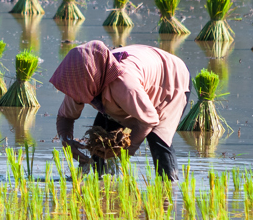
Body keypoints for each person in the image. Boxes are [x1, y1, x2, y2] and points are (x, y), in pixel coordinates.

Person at [49, 41, 190, 180]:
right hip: (137, 75)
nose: (75, 94)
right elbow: (65, 117)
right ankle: (104, 185)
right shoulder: (81, 82)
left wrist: (122, 152)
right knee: (99, 141)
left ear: (90, 78)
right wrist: (66, 141)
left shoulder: (125, 85)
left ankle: (169, 187)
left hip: (170, 80)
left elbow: (149, 120)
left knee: (157, 138)